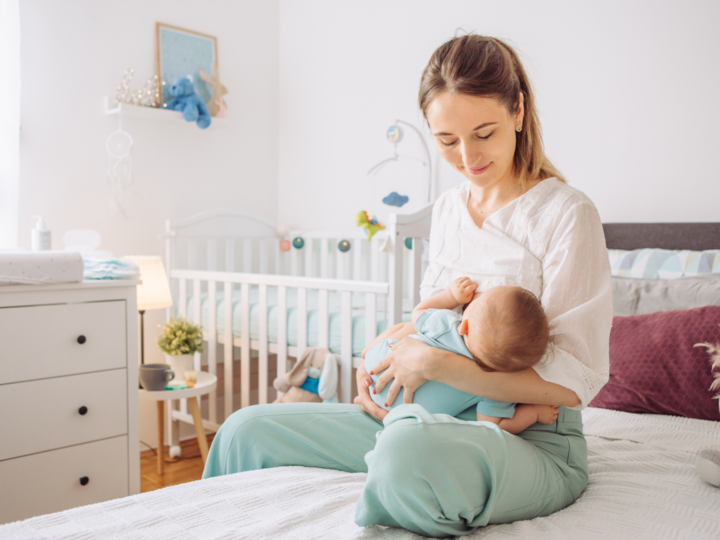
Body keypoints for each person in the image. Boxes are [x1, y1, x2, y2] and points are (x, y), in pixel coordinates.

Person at [202, 34, 612, 537]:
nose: (468, 156)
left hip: (528, 439)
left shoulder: (567, 213)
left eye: (485, 132)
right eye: (447, 141)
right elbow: (433, 320)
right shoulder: (445, 213)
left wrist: (438, 365)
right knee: (245, 430)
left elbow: (574, 382)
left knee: (407, 452)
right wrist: (382, 356)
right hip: (414, 413)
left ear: (519, 111)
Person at [363, 277, 559, 433]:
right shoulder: (497, 386)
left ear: (464, 325)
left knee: (404, 327)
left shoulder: (446, 323)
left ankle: (368, 350)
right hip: (408, 417)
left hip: (375, 369)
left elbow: (418, 311)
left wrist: (452, 296)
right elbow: (493, 426)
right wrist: (534, 413)